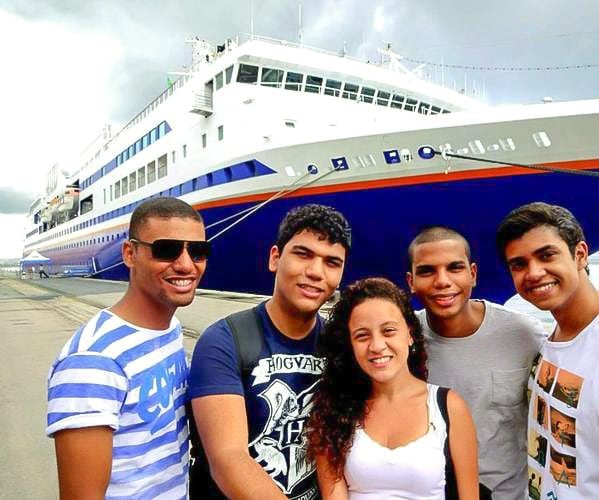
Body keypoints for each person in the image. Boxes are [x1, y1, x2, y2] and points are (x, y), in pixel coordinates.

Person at [46, 197, 210, 499]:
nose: (186, 264)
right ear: (129, 253)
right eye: (166, 250)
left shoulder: (169, 330)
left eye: (198, 251)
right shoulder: (92, 361)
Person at [188, 204, 351, 499]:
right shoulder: (223, 342)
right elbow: (228, 461)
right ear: (275, 258)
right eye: (303, 255)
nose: (316, 272)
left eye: (331, 262)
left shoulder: (340, 345)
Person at [406, 226, 547, 498]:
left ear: (473, 274)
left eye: (454, 268)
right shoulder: (402, 340)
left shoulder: (525, 334)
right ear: (410, 281)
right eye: (427, 271)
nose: (442, 281)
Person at [307, 277, 478, 499]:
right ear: (349, 345)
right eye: (362, 335)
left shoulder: (448, 406)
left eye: (388, 331)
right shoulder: (332, 412)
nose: (377, 346)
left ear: (410, 335)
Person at [497, 202, 599, 498]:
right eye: (519, 264)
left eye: (546, 255)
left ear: (580, 254)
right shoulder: (551, 340)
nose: (534, 272)